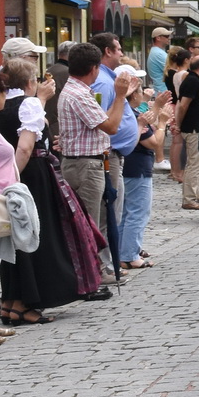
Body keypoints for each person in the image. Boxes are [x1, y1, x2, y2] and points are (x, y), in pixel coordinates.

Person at [0, 55, 84, 324]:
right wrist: (14, 180)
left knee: (12, 240)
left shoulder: (4, 104)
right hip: (29, 176)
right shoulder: (30, 103)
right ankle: (25, 303)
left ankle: (9, 301)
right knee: (31, 236)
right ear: (30, 81)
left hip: (14, 176)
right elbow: (24, 148)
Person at [57, 43, 136, 264]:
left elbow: (102, 121)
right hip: (85, 166)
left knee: (95, 218)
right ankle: (94, 271)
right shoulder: (79, 94)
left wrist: (122, 96)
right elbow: (111, 127)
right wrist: (120, 97)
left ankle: (96, 268)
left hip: (84, 163)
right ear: (94, 68)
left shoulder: (77, 90)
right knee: (91, 220)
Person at [119, 78, 170, 269]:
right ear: (134, 95)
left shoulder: (128, 113)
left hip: (128, 166)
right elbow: (153, 142)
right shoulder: (132, 115)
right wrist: (163, 123)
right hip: (137, 167)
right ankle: (130, 255)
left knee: (125, 213)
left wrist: (156, 108)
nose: (143, 95)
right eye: (141, 92)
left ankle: (123, 253)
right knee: (137, 212)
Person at [175, 56, 199, 209]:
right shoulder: (192, 81)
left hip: (197, 126)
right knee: (195, 164)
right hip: (192, 127)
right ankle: (189, 198)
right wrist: (178, 124)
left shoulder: (195, 80)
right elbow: (183, 105)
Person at [147, 27, 171, 92]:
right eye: (166, 36)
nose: (169, 38)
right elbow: (173, 70)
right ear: (158, 38)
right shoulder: (158, 53)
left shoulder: (157, 51)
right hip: (164, 92)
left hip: (161, 91)